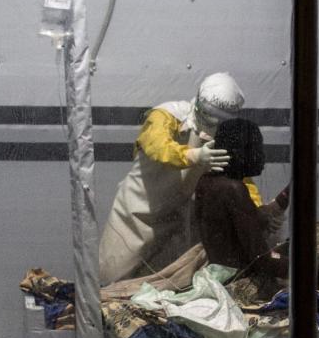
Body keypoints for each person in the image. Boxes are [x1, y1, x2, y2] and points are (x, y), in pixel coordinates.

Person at [98, 72, 244, 284]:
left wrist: (259, 207)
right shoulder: (167, 115)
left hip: (176, 219)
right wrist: (193, 155)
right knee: (111, 279)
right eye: (208, 115)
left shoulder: (226, 135)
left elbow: (238, 176)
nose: (212, 123)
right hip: (135, 215)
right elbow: (156, 146)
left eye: (220, 120)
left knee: (165, 285)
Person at [193, 118, 289, 280]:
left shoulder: (206, 182)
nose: (262, 156)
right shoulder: (233, 189)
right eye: (257, 148)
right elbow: (261, 260)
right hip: (240, 279)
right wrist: (314, 272)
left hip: (221, 274)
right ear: (240, 153)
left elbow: (238, 226)